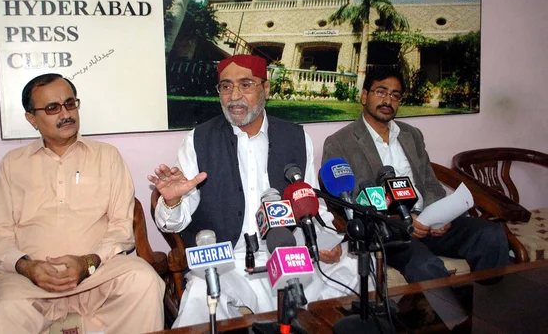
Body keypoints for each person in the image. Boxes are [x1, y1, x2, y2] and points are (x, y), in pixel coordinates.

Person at [149, 55, 359, 327]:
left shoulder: (295, 137)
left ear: (266, 88)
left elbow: (313, 202)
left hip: (287, 253)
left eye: (245, 85)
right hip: (228, 262)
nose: (234, 95)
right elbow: (173, 222)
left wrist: (325, 240)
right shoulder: (198, 140)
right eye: (225, 87)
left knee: (353, 270)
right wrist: (174, 200)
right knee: (201, 297)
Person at [0, 74, 165, 334]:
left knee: (144, 281)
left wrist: (88, 263)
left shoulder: (107, 157)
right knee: (9, 307)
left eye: (70, 104)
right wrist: (28, 267)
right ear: (32, 119)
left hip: (97, 273)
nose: (66, 113)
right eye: (52, 108)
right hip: (27, 280)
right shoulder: (13, 164)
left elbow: (121, 228)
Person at [322, 65, 510, 283]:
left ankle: (486, 308)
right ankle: (452, 316)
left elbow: (430, 183)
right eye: (381, 92)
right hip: (388, 230)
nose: (388, 100)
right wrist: (402, 220)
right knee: (425, 265)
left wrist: (440, 218)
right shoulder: (340, 142)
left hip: (429, 221)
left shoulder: (411, 135)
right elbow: (351, 200)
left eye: (395, 95)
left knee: (490, 235)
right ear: (365, 96)